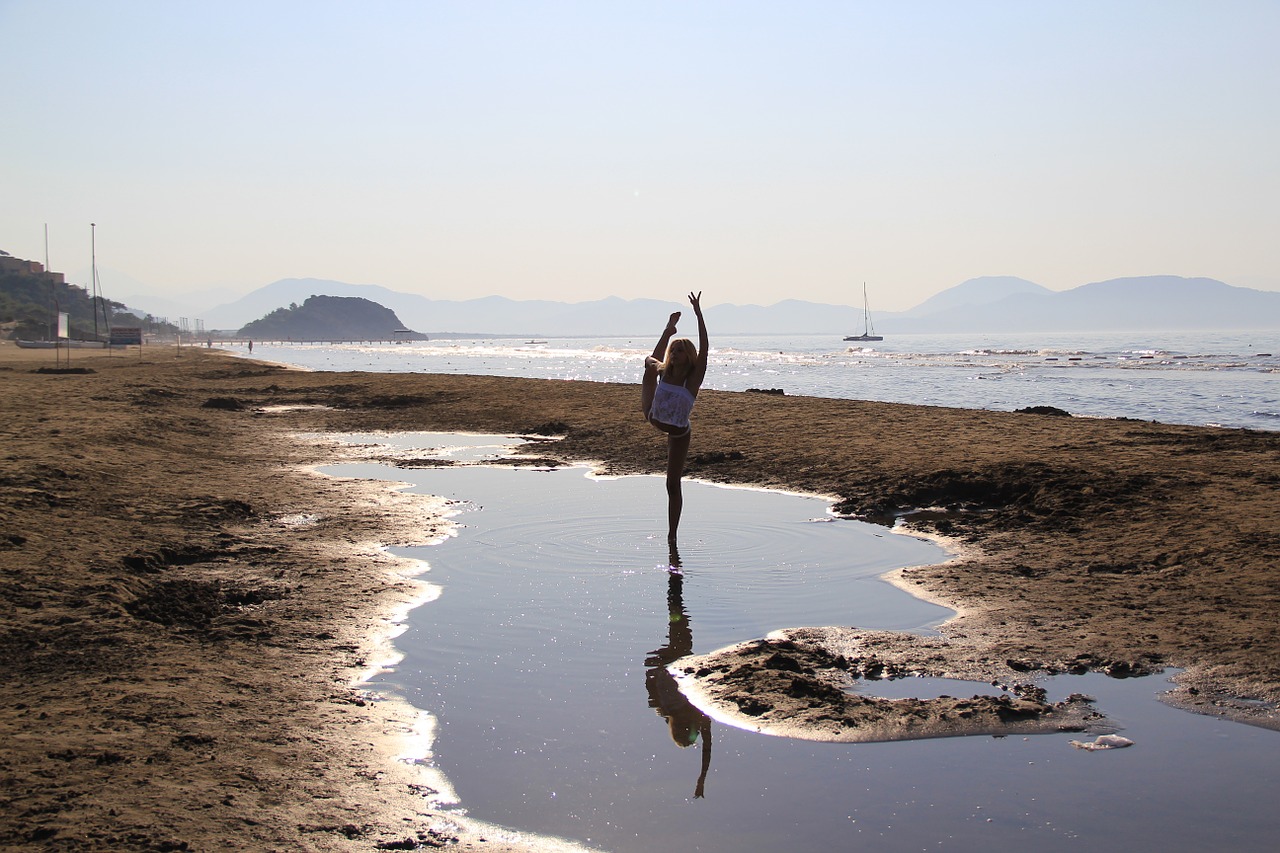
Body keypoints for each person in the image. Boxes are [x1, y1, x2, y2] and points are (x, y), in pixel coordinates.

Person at [641, 292, 709, 543]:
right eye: (674, 350)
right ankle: (667, 331)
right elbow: (653, 362)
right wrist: (655, 353)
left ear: (688, 354)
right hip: (652, 415)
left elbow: (705, 348)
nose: (677, 354)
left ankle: (672, 535)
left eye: (681, 350)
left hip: (679, 431)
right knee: (649, 370)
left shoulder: (693, 379)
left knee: (672, 485)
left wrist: (698, 314)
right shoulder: (665, 370)